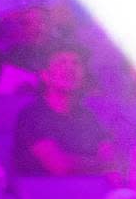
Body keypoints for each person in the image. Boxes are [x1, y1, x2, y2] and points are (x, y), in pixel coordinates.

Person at [13, 46, 117, 176]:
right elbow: (60, 166)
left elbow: (111, 160)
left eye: (76, 63)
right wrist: (100, 165)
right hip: (45, 192)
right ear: (45, 76)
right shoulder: (32, 116)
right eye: (61, 62)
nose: (70, 68)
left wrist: (100, 165)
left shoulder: (88, 116)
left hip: (89, 189)